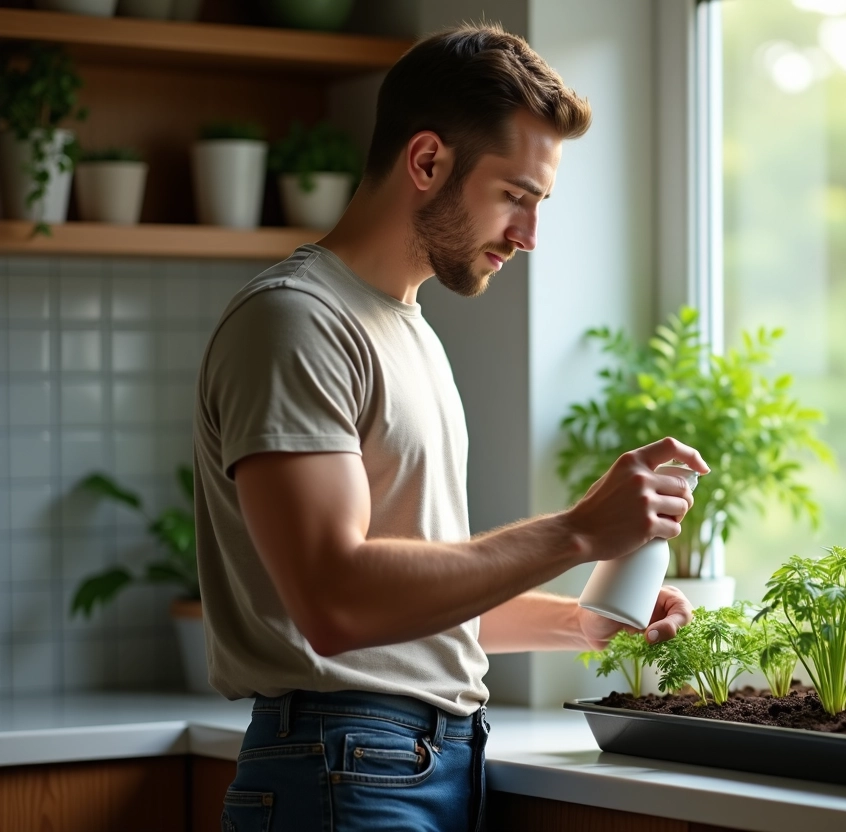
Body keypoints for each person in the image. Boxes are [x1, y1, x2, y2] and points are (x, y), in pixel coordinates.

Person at [192, 22, 707, 832]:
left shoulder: (408, 329)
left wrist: (581, 622)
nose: (530, 237)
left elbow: (407, 606)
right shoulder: (296, 322)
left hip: (417, 760)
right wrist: (575, 531)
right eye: (515, 197)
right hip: (344, 762)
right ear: (427, 161)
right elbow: (334, 602)